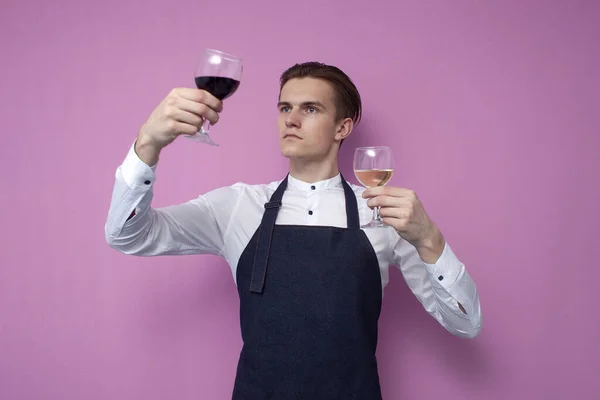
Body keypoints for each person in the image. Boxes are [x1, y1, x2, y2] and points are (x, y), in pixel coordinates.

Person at [105, 62, 482, 399]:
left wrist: (430, 239)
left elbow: (465, 323)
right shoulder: (238, 206)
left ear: (343, 127)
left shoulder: (383, 214)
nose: (291, 119)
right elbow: (128, 234)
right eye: (285, 107)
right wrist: (148, 144)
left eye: (310, 109)